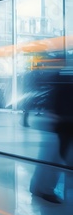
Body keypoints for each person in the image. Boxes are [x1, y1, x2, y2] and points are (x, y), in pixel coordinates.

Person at [30, 67, 73, 203]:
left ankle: (39, 188)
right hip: (61, 122)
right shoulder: (65, 76)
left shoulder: (62, 75)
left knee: (51, 157)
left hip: (59, 122)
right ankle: (43, 189)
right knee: (54, 158)